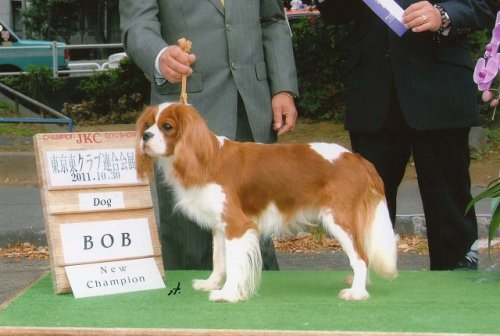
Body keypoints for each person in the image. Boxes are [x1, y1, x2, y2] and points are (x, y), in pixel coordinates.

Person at [314, 0, 497, 270]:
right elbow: (335, 13)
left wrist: (444, 15)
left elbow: (484, 4)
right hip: (372, 89)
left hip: (440, 85)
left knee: (449, 206)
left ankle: (457, 292)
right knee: (369, 204)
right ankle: (368, 283)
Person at [119, 0, 299, 270]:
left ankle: (262, 305)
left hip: (249, 110)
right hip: (183, 116)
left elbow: (272, 20)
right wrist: (159, 57)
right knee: (188, 238)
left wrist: (283, 88)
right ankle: (186, 305)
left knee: (254, 231)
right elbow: (136, 25)